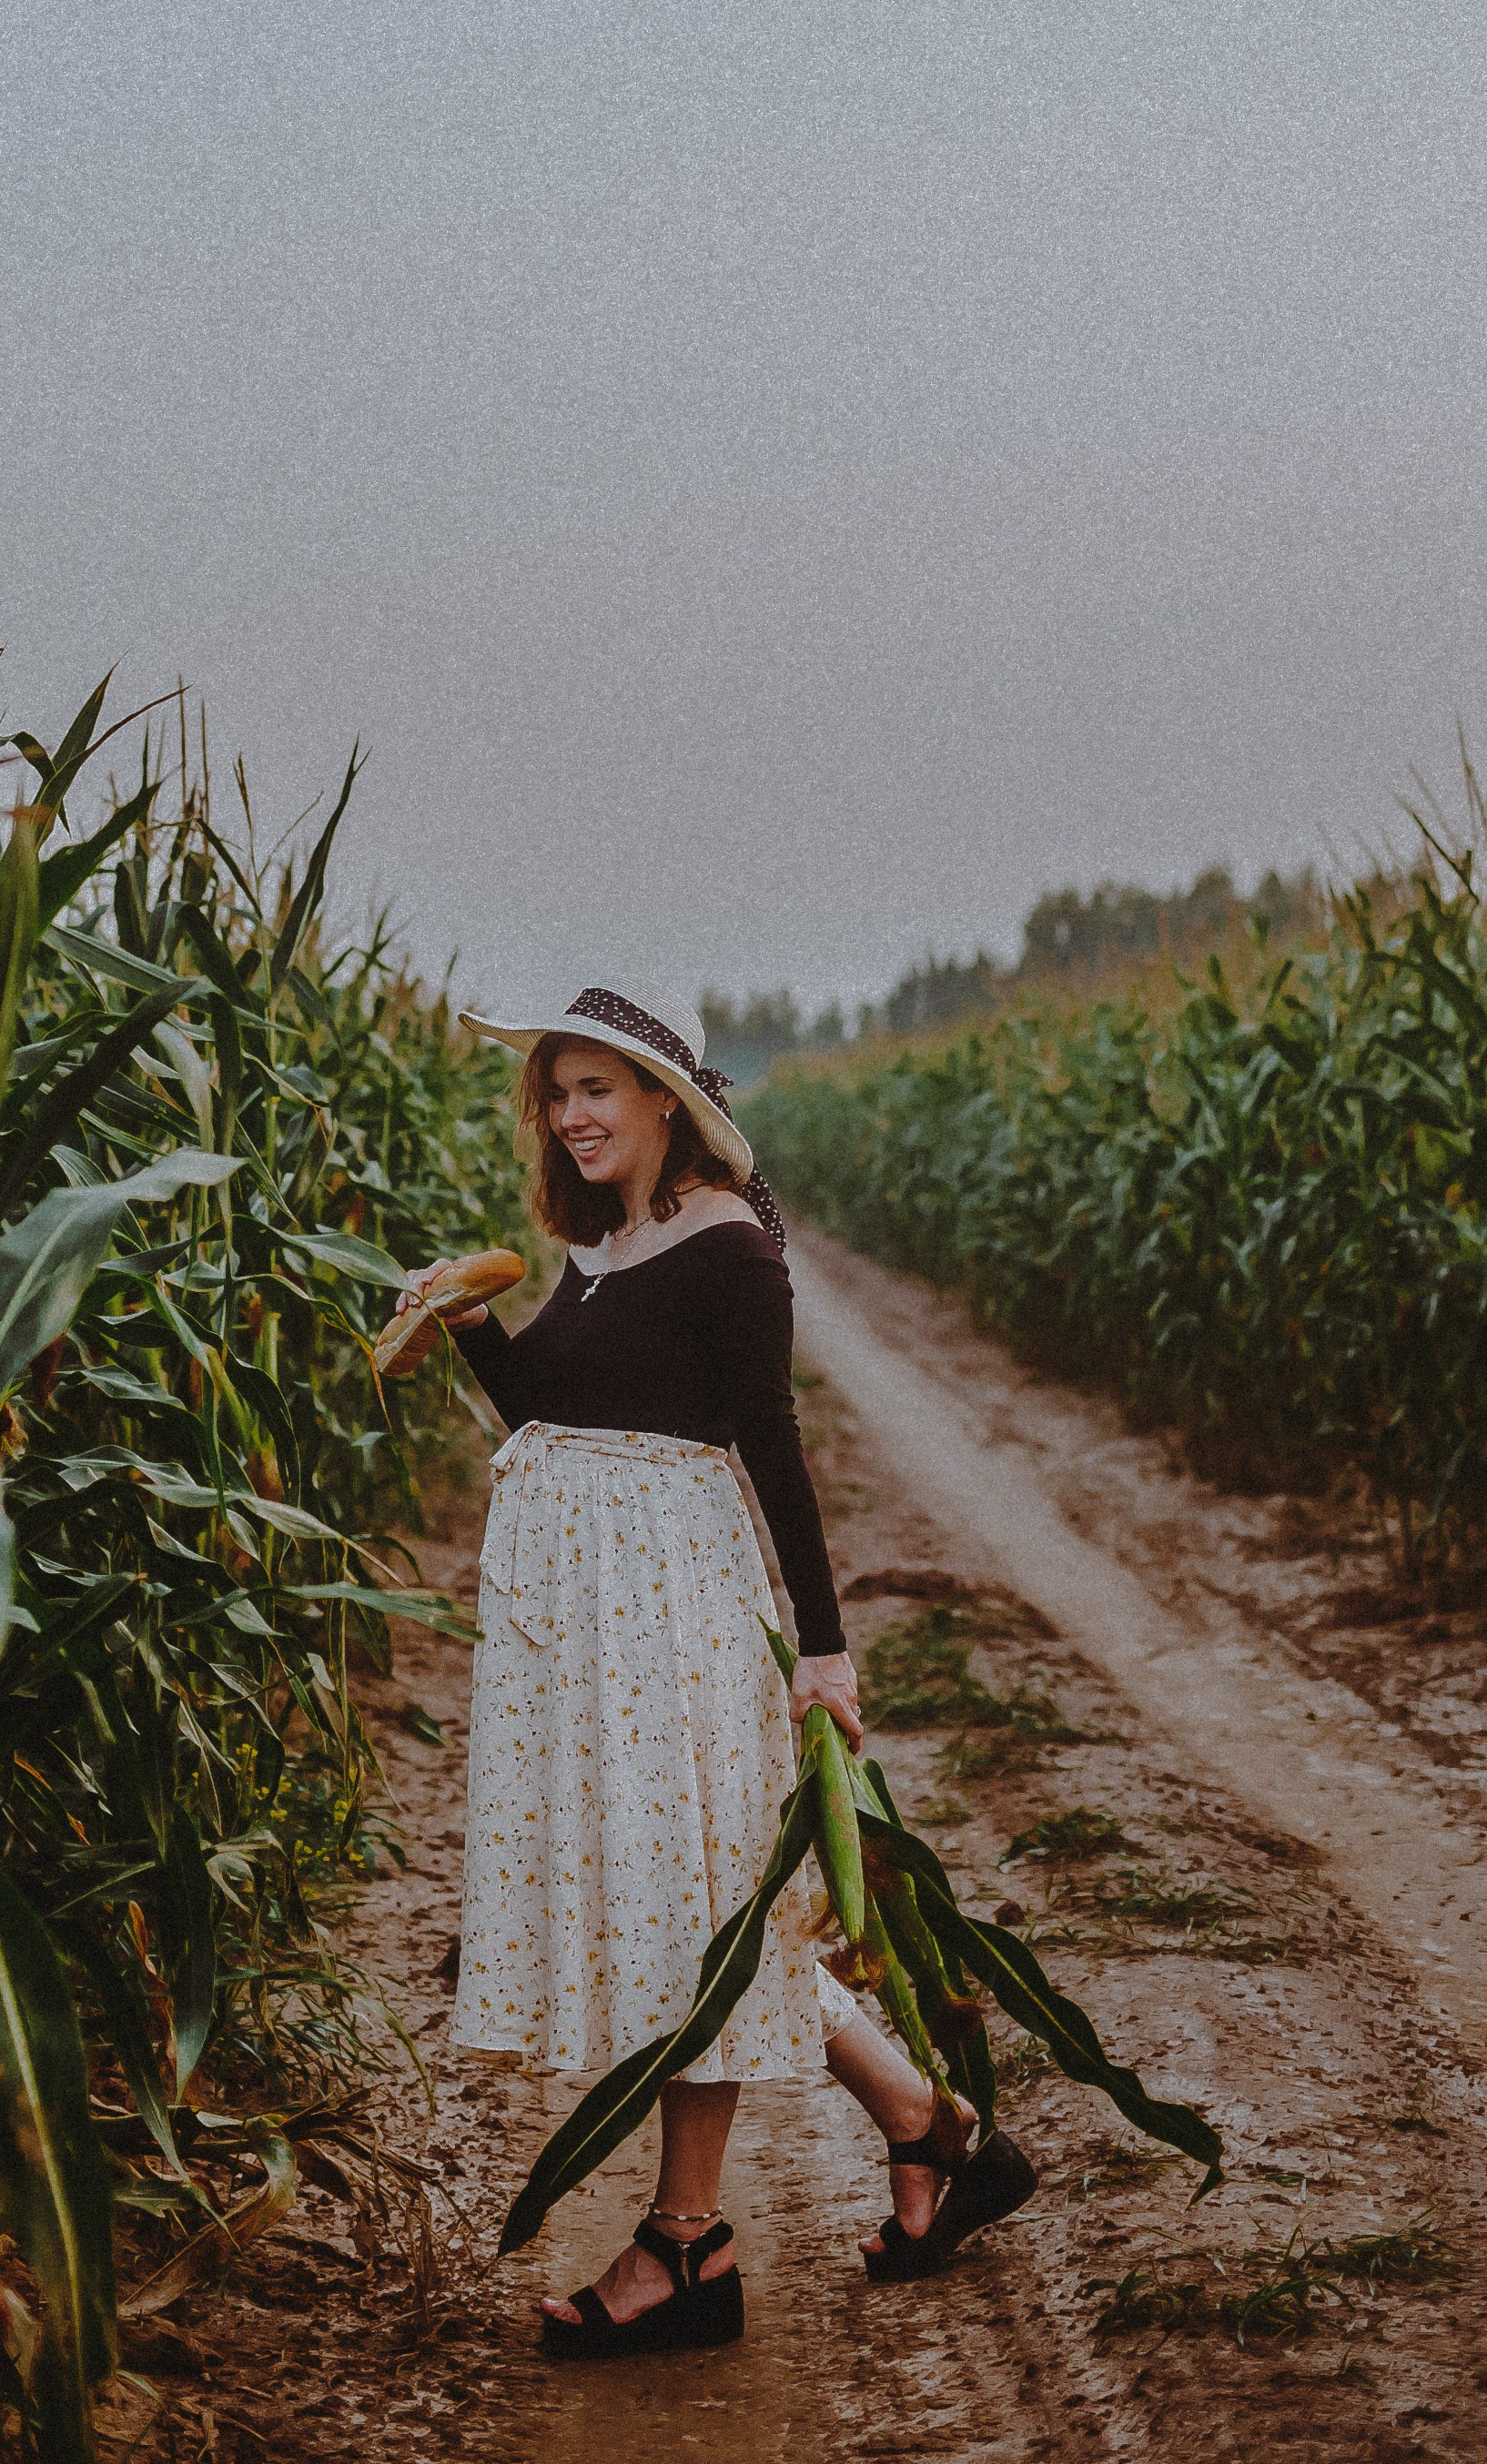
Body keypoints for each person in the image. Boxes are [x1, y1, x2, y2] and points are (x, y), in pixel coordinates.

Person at [393, 984, 1035, 2361]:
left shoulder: (727, 1245)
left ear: (661, 1101)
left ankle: (689, 2244)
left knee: (689, 1912)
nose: (569, 1115)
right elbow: (555, 1413)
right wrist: (463, 1323)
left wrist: (821, 1648)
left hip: (666, 1614)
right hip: (586, 1621)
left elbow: (773, 1448)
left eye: (595, 1091)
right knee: (682, 1893)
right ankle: (933, 2130)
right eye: (555, 1092)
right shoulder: (611, 1240)